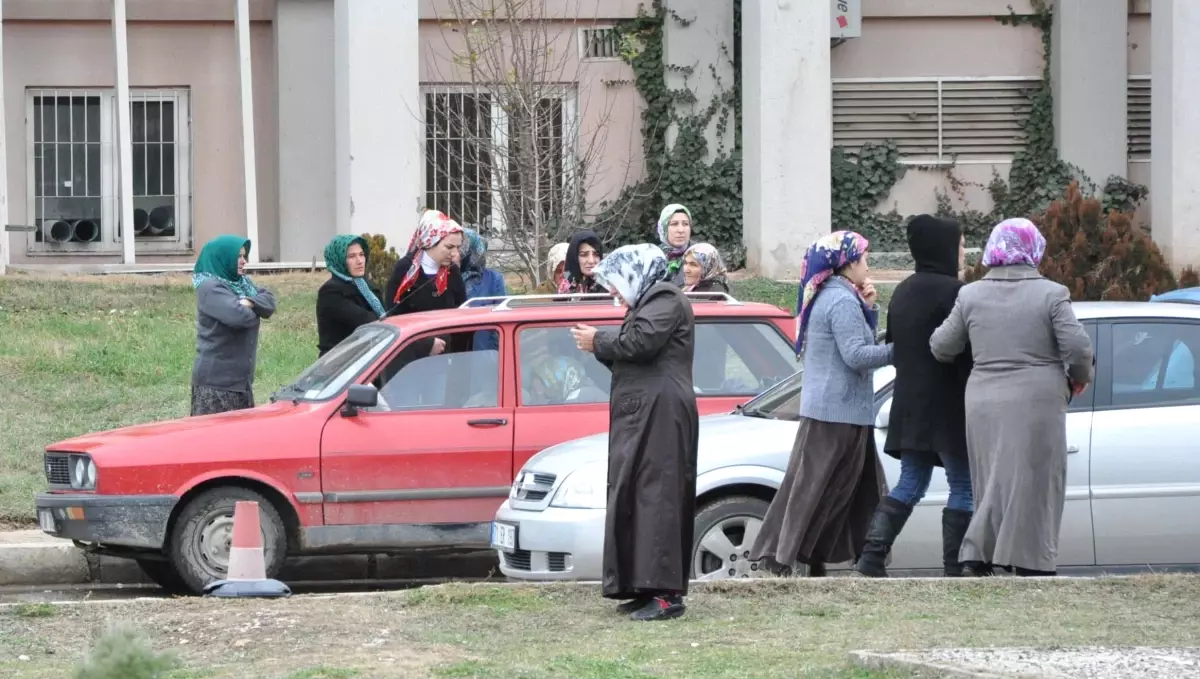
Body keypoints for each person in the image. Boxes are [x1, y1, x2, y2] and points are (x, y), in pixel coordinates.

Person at [930, 218, 1093, 577]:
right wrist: (1078, 379)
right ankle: (1031, 561)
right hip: (1039, 398)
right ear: (1034, 249)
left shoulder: (970, 294)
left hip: (983, 399)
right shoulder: (1052, 293)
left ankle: (977, 554)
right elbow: (1079, 349)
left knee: (990, 479)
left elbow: (942, 346)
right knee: (1036, 481)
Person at [749, 231, 892, 578]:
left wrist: (869, 310)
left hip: (839, 411)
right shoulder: (841, 301)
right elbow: (857, 356)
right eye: (864, 259)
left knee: (845, 490)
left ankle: (816, 558)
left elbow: (852, 344)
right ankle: (781, 559)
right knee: (814, 489)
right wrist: (902, 349)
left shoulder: (837, 296)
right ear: (847, 263)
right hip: (836, 412)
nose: (868, 266)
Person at [569, 244, 698, 621]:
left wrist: (600, 341)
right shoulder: (648, 301)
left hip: (661, 413)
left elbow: (641, 343)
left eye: (615, 283)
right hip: (646, 413)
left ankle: (665, 594)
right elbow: (635, 353)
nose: (613, 292)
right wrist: (603, 346)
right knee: (638, 497)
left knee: (658, 498)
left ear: (633, 273)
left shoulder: (664, 297)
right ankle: (643, 586)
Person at [854, 215, 974, 578]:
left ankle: (871, 557)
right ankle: (956, 567)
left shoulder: (904, 290)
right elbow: (965, 351)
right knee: (963, 483)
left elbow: (895, 345)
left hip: (909, 404)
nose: (963, 252)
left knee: (911, 482)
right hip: (950, 403)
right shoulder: (956, 293)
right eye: (959, 245)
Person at [190, 235, 276, 416]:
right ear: (222, 257)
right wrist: (254, 309)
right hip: (217, 385)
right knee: (215, 441)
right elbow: (241, 318)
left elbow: (269, 303)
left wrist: (250, 302)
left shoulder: (242, 283)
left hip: (240, 383)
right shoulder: (209, 288)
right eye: (238, 256)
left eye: (244, 256)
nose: (244, 261)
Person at [384, 209, 467, 356]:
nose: (455, 254)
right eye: (449, 247)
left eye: (458, 247)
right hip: (412, 360)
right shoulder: (405, 270)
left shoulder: (452, 272)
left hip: (449, 359)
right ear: (431, 241)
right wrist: (425, 344)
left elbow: (462, 313)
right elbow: (394, 319)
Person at [315, 234, 386, 356]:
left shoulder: (365, 285)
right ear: (340, 260)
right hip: (340, 364)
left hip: (367, 358)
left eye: (361, 255)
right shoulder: (330, 292)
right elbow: (366, 321)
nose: (359, 261)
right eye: (351, 256)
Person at [459, 228, 507, 351]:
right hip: (455, 351)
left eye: (461, 246)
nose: (458, 252)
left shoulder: (493, 279)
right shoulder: (449, 276)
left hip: (484, 351)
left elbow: (502, 318)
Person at [657, 204, 694, 286]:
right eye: (674, 224)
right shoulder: (654, 256)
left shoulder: (702, 254)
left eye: (685, 224)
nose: (681, 230)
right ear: (663, 228)